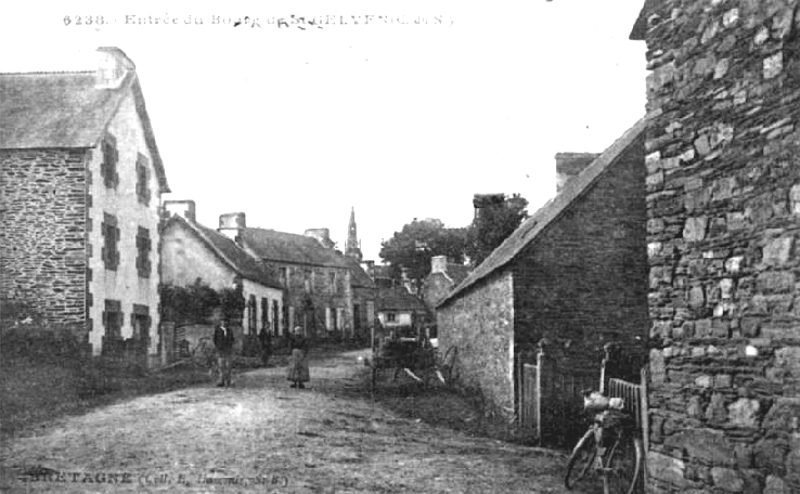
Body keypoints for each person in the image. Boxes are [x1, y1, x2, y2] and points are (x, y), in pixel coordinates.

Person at [213, 320, 235, 387]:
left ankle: (228, 381)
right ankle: (221, 381)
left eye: (226, 321)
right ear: (220, 323)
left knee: (228, 366)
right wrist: (218, 347)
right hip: (220, 351)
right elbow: (215, 340)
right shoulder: (217, 330)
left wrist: (230, 346)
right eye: (223, 322)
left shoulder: (230, 331)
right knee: (221, 366)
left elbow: (232, 339)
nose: (224, 323)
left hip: (228, 351)